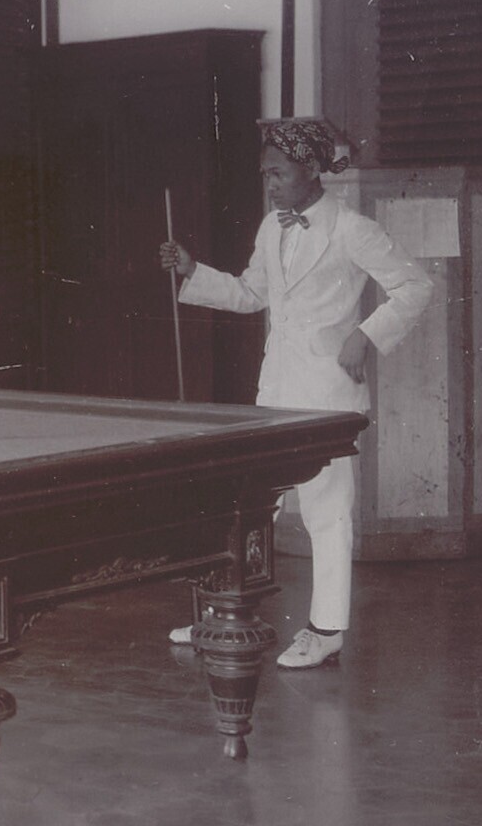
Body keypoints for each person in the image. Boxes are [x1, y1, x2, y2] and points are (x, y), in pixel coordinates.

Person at [158, 117, 434, 669]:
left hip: (326, 394)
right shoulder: (271, 227)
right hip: (277, 390)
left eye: (278, 173)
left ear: (310, 169)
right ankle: (225, 610)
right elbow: (250, 293)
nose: (270, 184)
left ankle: (325, 630)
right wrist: (194, 271)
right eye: (265, 174)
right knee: (252, 504)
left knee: (326, 510)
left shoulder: (352, 229)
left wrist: (364, 336)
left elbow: (415, 285)